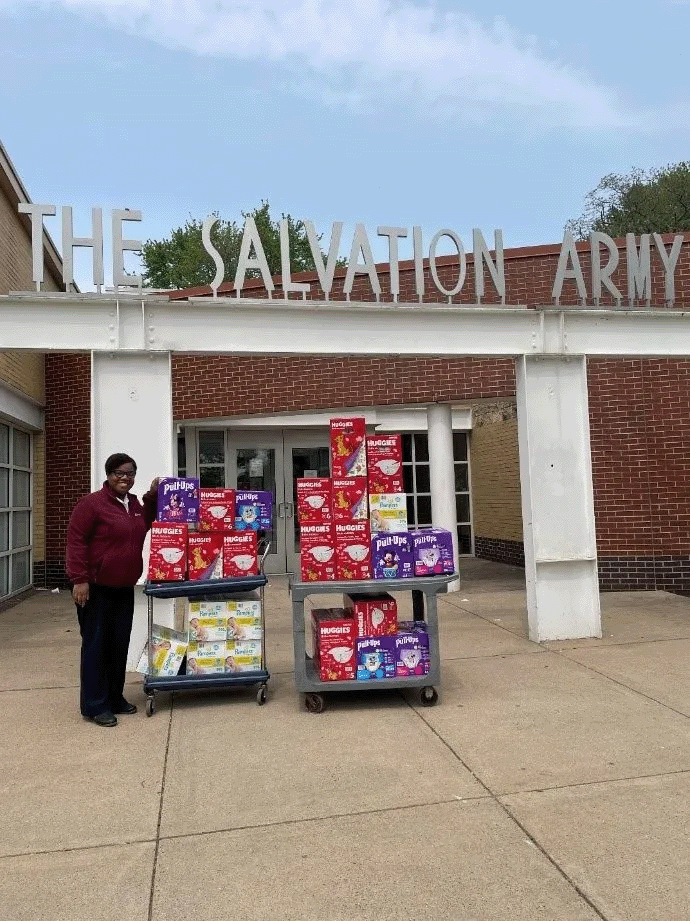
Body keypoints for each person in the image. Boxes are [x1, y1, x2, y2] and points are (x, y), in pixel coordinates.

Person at [66, 453, 160, 728]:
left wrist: (154, 495)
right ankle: (95, 706)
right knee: (96, 647)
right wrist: (79, 580)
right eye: (119, 472)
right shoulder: (91, 504)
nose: (124, 478)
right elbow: (76, 542)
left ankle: (115, 697)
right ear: (108, 475)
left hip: (123, 587)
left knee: (118, 645)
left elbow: (150, 520)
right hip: (95, 588)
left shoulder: (134, 505)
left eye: (130, 473)